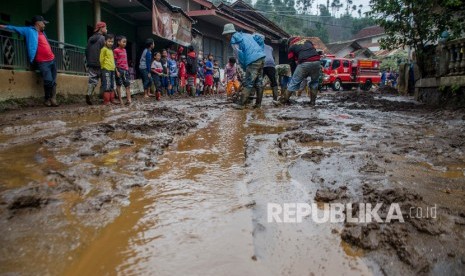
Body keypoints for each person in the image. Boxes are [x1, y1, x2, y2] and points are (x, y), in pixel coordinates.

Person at [1, 15, 59, 107]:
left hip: (52, 59)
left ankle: (53, 99)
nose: (44, 24)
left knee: (53, 81)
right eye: (43, 23)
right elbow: (15, 28)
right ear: (38, 23)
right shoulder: (29, 31)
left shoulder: (43, 33)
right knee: (48, 80)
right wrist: (3, 26)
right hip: (42, 61)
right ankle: (47, 99)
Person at [222, 23, 266, 109]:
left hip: (252, 59)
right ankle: (258, 104)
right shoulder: (246, 35)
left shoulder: (234, 40)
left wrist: (245, 67)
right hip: (261, 57)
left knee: (248, 82)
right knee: (258, 82)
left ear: (228, 34)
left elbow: (239, 55)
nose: (226, 37)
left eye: (226, 35)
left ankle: (240, 104)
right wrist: (259, 52)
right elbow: (260, 39)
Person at [275, 36, 320, 106]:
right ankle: (312, 102)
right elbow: (313, 50)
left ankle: (281, 101)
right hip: (317, 62)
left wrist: (293, 74)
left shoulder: (292, 46)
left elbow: (291, 61)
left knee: (293, 82)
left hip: (305, 62)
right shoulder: (307, 41)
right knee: (314, 82)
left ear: (290, 42)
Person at [85, 21, 107, 105]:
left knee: (92, 80)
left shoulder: (90, 38)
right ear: (101, 28)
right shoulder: (103, 39)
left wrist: (89, 61)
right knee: (104, 80)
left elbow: (86, 50)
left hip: (91, 63)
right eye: (105, 27)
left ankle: (89, 94)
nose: (106, 29)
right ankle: (102, 98)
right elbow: (105, 52)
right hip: (100, 63)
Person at [113, 35, 132, 105]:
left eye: (125, 42)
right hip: (119, 69)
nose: (125, 43)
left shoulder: (125, 50)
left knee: (127, 85)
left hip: (125, 70)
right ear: (118, 42)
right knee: (119, 85)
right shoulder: (115, 50)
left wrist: (127, 69)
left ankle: (129, 99)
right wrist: (116, 71)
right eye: (123, 42)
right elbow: (114, 61)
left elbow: (126, 61)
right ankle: (120, 100)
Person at [100, 34, 116, 105]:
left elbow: (113, 60)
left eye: (112, 42)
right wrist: (103, 67)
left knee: (112, 85)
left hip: (112, 69)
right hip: (106, 69)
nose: (111, 43)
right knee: (107, 85)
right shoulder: (104, 49)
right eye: (109, 41)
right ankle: (106, 101)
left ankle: (112, 99)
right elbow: (101, 59)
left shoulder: (111, 50)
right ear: (105, 41)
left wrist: (115, 68)